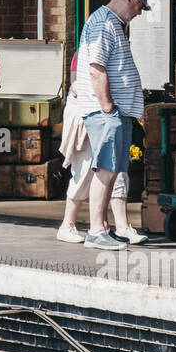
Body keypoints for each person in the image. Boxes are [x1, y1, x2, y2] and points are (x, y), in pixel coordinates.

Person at [74, 0, 151, 249]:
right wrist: (108, 108)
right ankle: (96, 231)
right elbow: (96, 68)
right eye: (140, 6)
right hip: (105, 111)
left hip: (115, 111)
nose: (139, 12)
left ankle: (103, 228)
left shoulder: (113, 24)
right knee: (105, 170)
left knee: (112, 170)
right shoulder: (103, 23)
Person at [58, 49, 137, 245]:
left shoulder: (115, 54)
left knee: (116, 171)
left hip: (107, 116)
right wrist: (105, 101)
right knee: (84, 170)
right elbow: (76, 87)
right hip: (88, 115)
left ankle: (121, 226)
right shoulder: (85, 53)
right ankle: (67, 224)